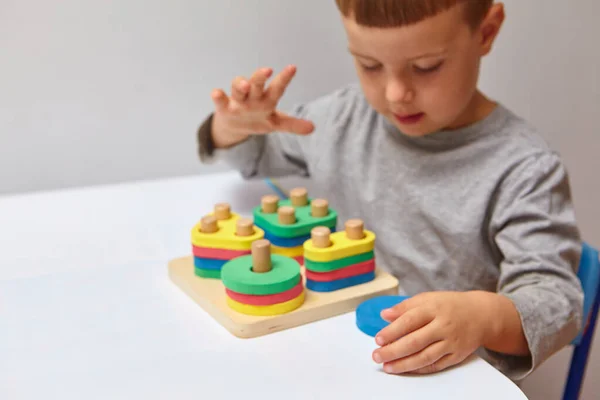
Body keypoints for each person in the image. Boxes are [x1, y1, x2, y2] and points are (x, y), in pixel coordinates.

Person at [195, 0, 584, 383]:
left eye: (426, 67)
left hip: (436, 377)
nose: (396, 93)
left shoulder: (524, 168)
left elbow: (556, 304)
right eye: (370, 66)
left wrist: (482, 317)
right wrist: (234, 126)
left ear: (486, 31)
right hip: (329, 356)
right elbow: (256, 155)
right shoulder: (346, 117)